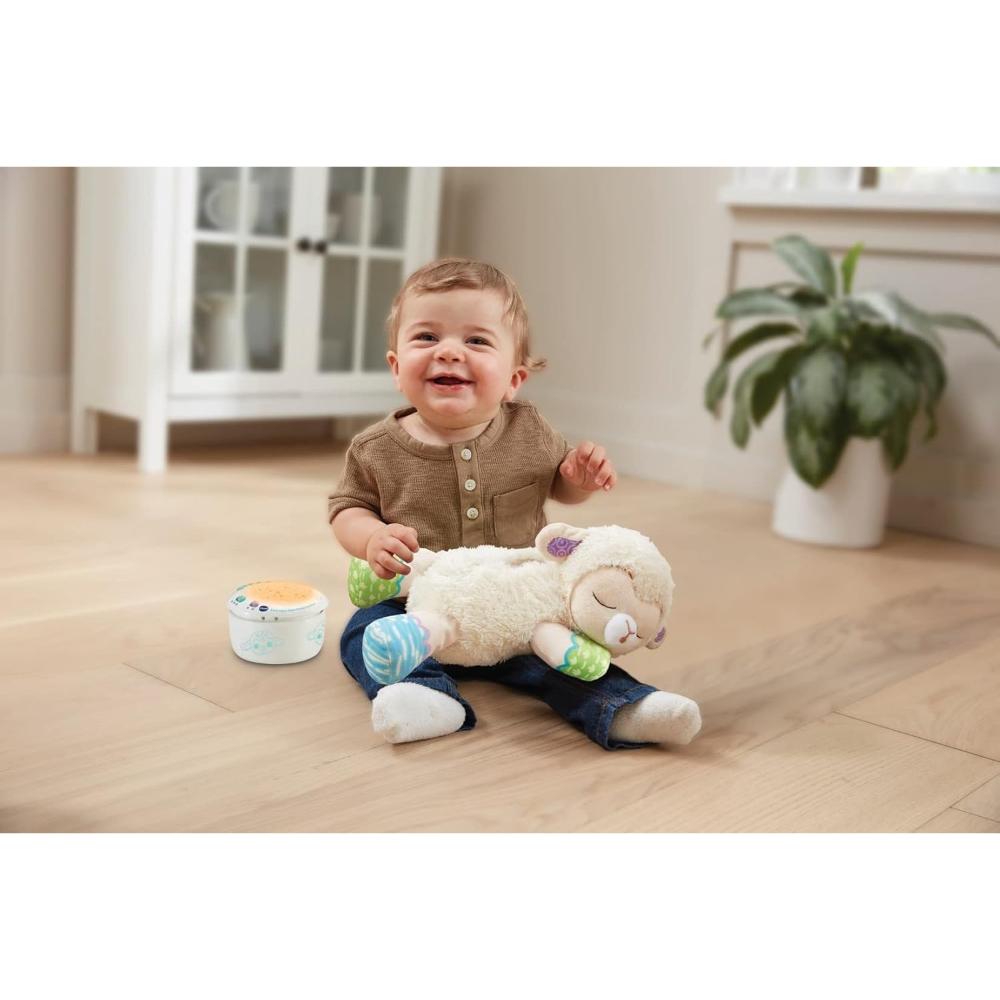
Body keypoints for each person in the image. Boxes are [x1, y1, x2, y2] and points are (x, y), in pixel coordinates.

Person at [328, 258, 701, 748]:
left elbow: (561, 488)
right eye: (427, 337)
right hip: (416, 607)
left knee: (567, 653)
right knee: (363, 634)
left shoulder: (529, 430)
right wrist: (372, 537)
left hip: (517, 608)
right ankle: (427, 698)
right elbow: (347, 508)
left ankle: (623, 706)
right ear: (397, 368)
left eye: (476, 341)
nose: (448, 352)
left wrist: (578, 479)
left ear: (513, 379)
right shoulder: (375, 449)